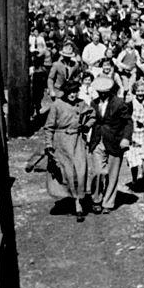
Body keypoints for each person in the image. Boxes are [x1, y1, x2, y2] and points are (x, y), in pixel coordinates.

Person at [43, 78, 92, 221]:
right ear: (65, 92)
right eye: (70, 92)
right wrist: (48, 145)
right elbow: (49, 127)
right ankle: (76, 203)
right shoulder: (57, 105)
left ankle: (79, 197)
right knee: (68, 173)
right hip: (61, 142)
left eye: (75, 92)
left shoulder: (81, 104)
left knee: (81, 171)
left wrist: (86, 125)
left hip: (77, 141)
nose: (73, 95)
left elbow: (92, 115)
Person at [87, 76, 133, 213]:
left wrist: (126, 138)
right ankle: (96, 199)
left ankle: (108, 203)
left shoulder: (119, 103)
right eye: (100, 91)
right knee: (98, 172)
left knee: (113, 174)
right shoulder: (93, 103)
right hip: (97, 140)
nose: (102, 94)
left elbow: (128, 123)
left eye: (105, 91)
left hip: (115, 141)